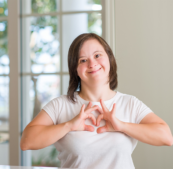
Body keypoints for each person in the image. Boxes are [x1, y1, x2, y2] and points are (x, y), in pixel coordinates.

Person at [20, 33, 173, 169]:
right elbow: (26, 141)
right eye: (83, 60)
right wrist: (69, 125)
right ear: (75, 69)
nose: (92, 64)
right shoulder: (61, 105)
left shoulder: (130, 103)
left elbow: (166, 137)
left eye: (97, 55)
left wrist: (122, 126)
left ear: (109, 58)